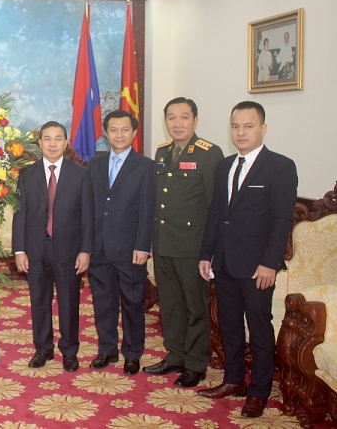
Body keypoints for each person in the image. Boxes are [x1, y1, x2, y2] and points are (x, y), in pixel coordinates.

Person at [198, 101, 297, 418]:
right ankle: (233, 380)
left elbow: (282, 220)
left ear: (263, 129)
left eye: (248, 126)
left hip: (258, 267)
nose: (241, 132)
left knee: (259, 328)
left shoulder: (280, 167)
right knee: (228, 324)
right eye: (235, 126)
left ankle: (259, 391)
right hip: (224, 262)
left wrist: (270, 262)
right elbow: (216, 214)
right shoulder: (225, 166)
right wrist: (206, 254)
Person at [142, 98, 223, 387]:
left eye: (184, 118)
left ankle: (196, 363)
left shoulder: (209, 153)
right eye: (172, 118)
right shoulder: (162, 152)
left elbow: (216, 206)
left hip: (192, 247)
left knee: (194, 306)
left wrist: (210, 250)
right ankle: (175, 354)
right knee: (171, 305)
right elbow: (158, 200)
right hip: (164, 244)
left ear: (195, 121)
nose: (177, 123)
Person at [12, 121, 90, 372]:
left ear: (66, 142)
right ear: (40, 143)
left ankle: (69, 351)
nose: (53, 144)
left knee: (69, 301)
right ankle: (42, 349)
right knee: (39, 301)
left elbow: (88, 216)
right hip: (35, 249)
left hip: (69, 249)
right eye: (47, 138)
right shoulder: (27, 174)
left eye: (58, 138)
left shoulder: (80, 175)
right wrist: (19, 250)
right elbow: (20, 214)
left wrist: (85, 250)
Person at [86, 110, 155, 376]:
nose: (119, 135)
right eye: (113, 130)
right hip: (100, 246)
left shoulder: (146, 166)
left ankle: (132, 353)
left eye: (125, 130)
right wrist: (87, 245)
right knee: (103, 302)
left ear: (134, 133)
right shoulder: (95, 165)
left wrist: (143, 244)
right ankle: (107, 350)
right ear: (106, 133)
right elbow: (91, 206)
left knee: (132, 303)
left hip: (130, 249)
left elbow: (148, 210)